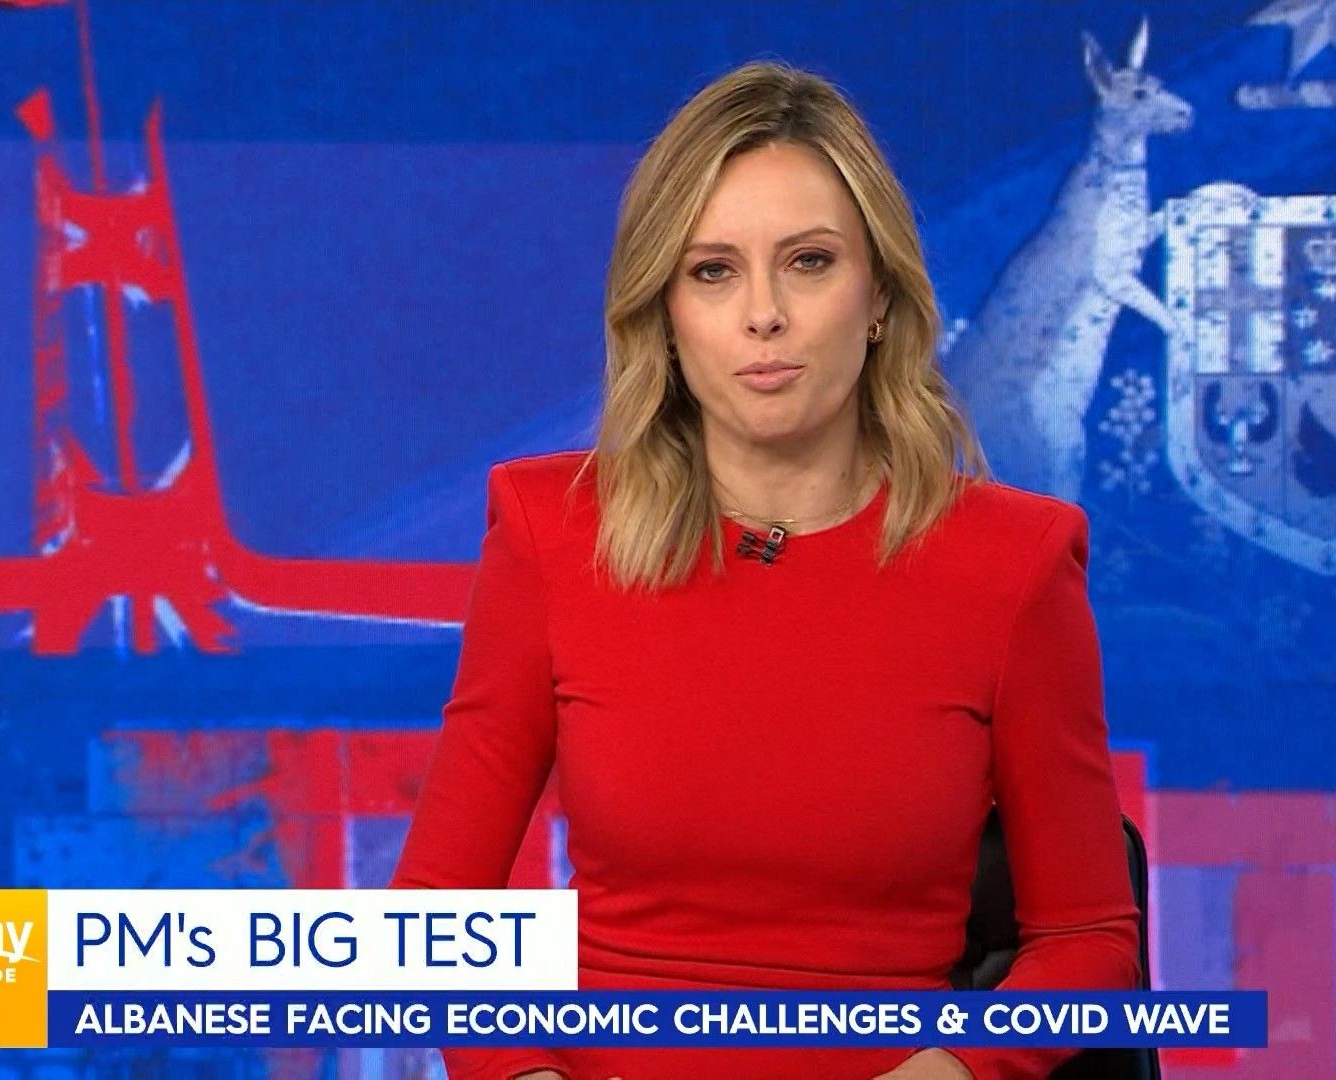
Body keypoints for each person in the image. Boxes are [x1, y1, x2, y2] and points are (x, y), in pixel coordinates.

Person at [391, 60, 1141, 1080]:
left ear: (879, 299)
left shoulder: (1016, 562)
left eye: (809, 262)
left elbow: (1088, 938)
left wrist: (952, 1071)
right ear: (664, 313)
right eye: (713, 271)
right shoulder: (550, 533)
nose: (763, 316)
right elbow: (437, 914)